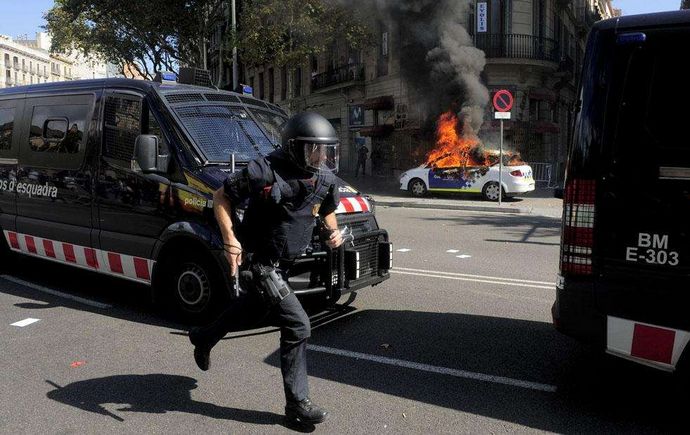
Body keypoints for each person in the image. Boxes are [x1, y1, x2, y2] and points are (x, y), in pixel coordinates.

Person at [188, 112, 343, 426]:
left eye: (325, 149)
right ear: (292, 147)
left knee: (249, 311)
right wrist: (231, 240)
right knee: (298, 325)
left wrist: (332, 234)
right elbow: (221, 197)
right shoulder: (264, 170)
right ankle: (297, 406)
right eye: (313, 149)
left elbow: (326, 211)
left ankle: (203, 337)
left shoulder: (324, 176)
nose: (321, 155)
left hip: (287, 264)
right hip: (261, 264)